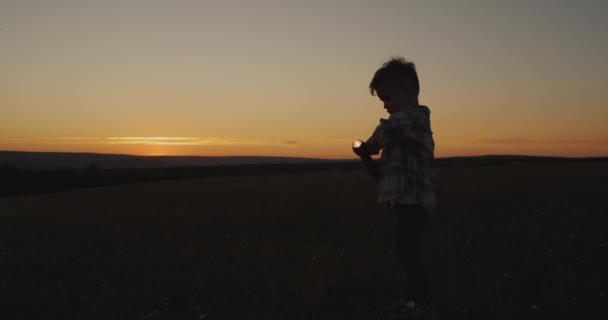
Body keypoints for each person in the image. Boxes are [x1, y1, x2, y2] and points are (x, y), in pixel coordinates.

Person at [352, 57, 438, 320]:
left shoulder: (415, 118)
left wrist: (369, 146)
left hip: (415, 199)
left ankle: (420, 305)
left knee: (406, 249)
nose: (386, 106)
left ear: (408, 91)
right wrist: (368, 158)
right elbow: (386, 170)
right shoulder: (403, 128)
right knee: (405, 249)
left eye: (387, 98)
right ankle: (412, 301)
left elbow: (388, 128)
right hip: (405, 199)